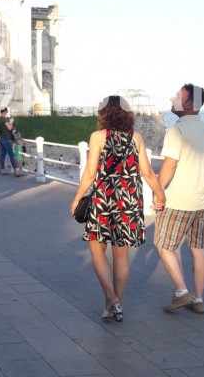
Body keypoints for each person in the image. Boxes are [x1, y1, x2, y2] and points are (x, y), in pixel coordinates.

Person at [70, 96, 166, 322]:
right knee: (121, 256)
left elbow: (91, 173)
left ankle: (111, 299)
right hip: (129, 202)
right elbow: (148, 173)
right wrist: (160, 195)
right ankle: (116, 303)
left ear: (104, 113)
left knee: (97, 252)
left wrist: (77, 198)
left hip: (104, 199)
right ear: (126, 113)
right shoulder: (137, 138)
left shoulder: (97, 137)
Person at [155, 84, 204, 314]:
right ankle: (198, 299)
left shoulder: (177, 131)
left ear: (189, 104)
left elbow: (169, 165)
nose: (172, 98)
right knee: (198, 248)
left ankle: (182, 292)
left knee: (163, 245)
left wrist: (158, 193)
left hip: (180, 200)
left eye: (178, 96)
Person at [0, 107, 20, 176]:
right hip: (6, 138)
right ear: (5, 112)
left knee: (2, 155)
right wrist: (11, 122)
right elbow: (9, 128)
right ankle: (16, 171)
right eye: (7, 111)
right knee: (11, 155)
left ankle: (2, 169)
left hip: (1, 138)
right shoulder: (4, 119)